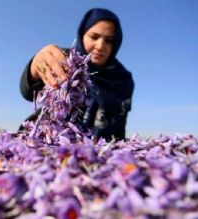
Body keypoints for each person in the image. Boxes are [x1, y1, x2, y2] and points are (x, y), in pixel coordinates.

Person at [19, 8, 134, 142]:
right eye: (94, 37)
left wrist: (118, 147)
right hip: (47, 140)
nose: (101, 45)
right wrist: (35, 66)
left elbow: (120, 122)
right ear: (82, 34)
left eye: (109, 40)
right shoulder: (64, 60)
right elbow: (27, 91)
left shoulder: (123, 79)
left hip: (97, 149)